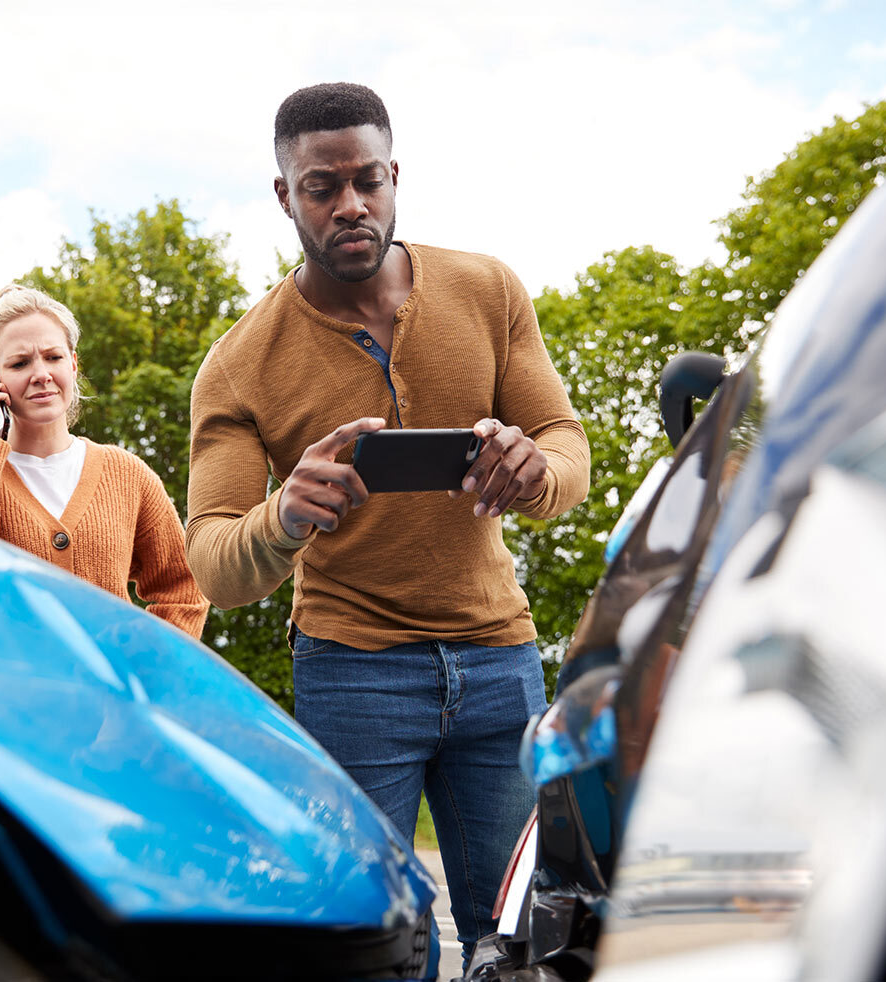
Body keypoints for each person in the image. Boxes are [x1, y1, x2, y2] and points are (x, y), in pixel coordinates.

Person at [184, 83, 588, 963]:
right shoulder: (238, 365)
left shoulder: (488, 289)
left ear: (395, 175)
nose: (350, 204)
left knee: (520, 942)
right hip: (352, 675)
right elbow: (214, 562)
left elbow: (565, 445)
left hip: (499, 659)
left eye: (368, 179)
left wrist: (535, 471)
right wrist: (285, 515)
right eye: (322, 187)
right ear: (286, 196)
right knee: (375, 951)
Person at [0, 284, 209, 639]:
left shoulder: (127, 475)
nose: (41, 374)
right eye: (20, 363)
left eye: (53, 357)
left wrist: (148, 668)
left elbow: (183, 590)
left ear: (73, 363)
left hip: (107, 694)